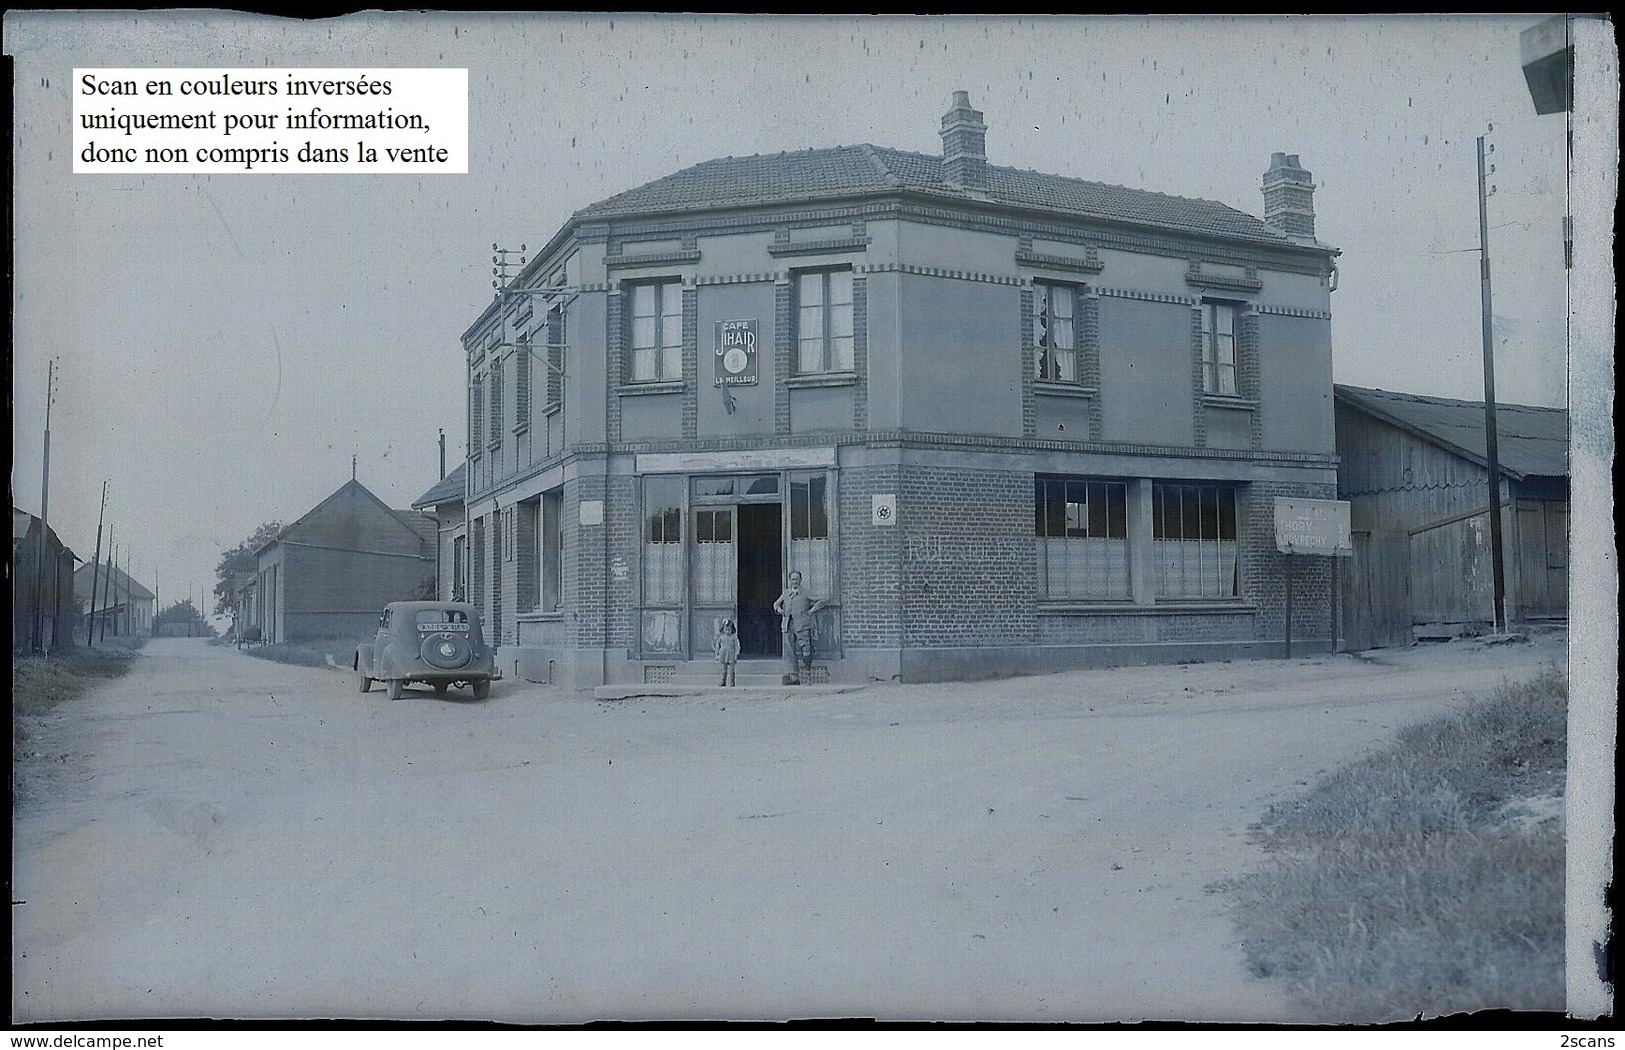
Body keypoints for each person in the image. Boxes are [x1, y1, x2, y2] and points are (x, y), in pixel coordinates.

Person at [772, 571, 826, 685]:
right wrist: (779, 610)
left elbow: (823, 600)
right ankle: (794, 676)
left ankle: (807, 674)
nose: (794, 582)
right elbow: (776, 603)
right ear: (789, 581)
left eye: (797, 579)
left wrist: (812, 610)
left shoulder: (806, 592)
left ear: (800, 580)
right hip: (788, 625)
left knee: (806, 650)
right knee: (790, 651)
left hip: (803, 625)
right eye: (792, 579)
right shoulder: (786, 593)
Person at [713, 618, 740, 687]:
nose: (727, 632)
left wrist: (736, 654)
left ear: (732, 630)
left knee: (732, 670)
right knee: (724, 670)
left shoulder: (734, 637)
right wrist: (717, 654)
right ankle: (723, 681)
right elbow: (717, 646)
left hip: (731, 655)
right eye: (726, 630)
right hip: (723, 655)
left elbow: (737, 646)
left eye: (729, 630)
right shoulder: (721, 637)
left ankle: (732, 682)